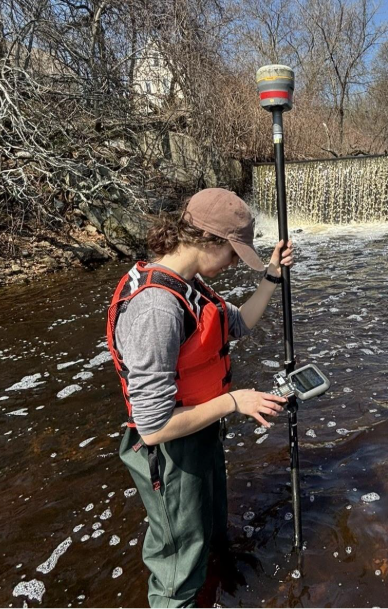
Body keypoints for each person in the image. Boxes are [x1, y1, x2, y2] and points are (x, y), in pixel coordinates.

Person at [105, 188, 294, 608]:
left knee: (208, 535)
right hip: (170, 453)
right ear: (208, 240)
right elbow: (153, 427)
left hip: (199, 432)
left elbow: (238, 325)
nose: (232, 264)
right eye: (231, 252)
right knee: (177, 571)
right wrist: (233, 402)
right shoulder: (157, 308)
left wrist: (272, 276)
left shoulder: (190, 285)